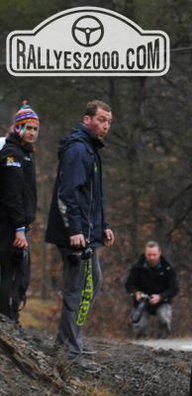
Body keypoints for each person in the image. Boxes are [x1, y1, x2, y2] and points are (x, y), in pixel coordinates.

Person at [45, 100, 115, 372]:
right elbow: (68, 194)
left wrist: (104, 225)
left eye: (108, 121)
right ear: (87, 120)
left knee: (92, 284)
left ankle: (69, 339)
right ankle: (69, 351)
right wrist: (74, 230)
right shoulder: (77, 149)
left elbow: (93, 196)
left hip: (89, 234)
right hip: (75, 236)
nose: (105, 125)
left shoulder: (90, 149)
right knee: (79, 290)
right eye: (101, 120)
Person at [0, 102, 40, 322]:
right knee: (10, 273)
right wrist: (19, 228)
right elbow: (12, 195)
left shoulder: (25, 152)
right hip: (10, 226)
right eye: (28, 127)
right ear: (17, 128)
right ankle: (7, 322)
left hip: (19, 225)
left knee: (19, 276)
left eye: (35, 129)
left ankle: (11, 318)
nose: (32, 133)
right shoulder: (12, 153)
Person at [125, 241, 178, 338]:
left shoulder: (168, 268)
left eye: (154, 255)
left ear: (159, 253)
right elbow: (129, 284)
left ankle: (164, 342)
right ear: (145, 254)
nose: (152, 258)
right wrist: (136, 293)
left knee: (164, 319)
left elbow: (174, 288)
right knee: (139, 326)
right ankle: (140, 345)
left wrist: (161, 297)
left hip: (162, 300)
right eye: (149, 255)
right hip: (142, 301)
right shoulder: (137, 267)